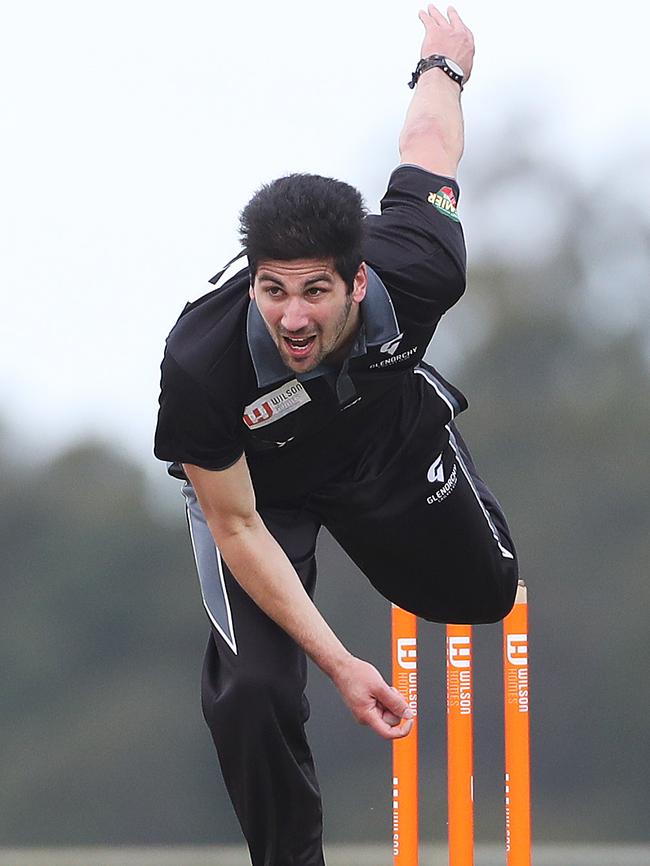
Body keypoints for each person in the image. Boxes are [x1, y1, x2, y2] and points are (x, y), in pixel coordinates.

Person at [154, 6, 517, 865]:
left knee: (483, 599)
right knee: (250, 694)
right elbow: (235, 526)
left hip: (385, 443)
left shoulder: (420, 265)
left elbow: (429, 144)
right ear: (251, 281)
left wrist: (444, 65)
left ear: (357, 281)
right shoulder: (202, 366)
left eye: (314, 291)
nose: (292, 316)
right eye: (273, 290)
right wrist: (341, 663)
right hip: (256, 503)